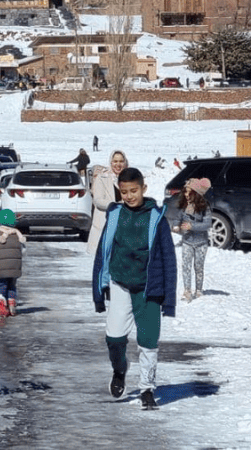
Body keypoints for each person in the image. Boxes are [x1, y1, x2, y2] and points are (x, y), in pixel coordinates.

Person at [92, 167, 176, 410]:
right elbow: (103, 251)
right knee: (114, 337)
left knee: (149, 340)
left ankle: (147, 388)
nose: (129, 196)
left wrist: (168, 299)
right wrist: (99, 287)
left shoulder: (156, 217)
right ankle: (120, 370)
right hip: (120, 284)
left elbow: (169, 259)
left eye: (134, 190)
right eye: (125, 191)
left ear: (144, 188)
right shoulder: (116, 214)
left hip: (149, 288)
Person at [167, 177, 213, 302]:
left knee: (198, 266)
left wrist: (192, 226)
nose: (186, 195)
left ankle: (199, 289)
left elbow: (207, 224)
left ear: (196, 193)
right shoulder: (184, 207)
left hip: (201, 243)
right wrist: (176, 226)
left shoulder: (205, 207)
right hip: (187, 241)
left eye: (189, 192)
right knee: (186, 266)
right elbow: (178, 218)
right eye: (185, 192)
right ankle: (187, 290)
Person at [87, 151, 129, 254]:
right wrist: (116, 205)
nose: (118, 165)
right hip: (104, 226)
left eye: (121, 161)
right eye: (115, 161)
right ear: (111, 162)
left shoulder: (130, 179)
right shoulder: (102, 178)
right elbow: (98, 200)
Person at [0, 209, 25, 317]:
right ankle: (11, 301)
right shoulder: (17, 236)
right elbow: (23, 250)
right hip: (14, 268)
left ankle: (1, 300)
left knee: (1, 285)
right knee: (11, 285)